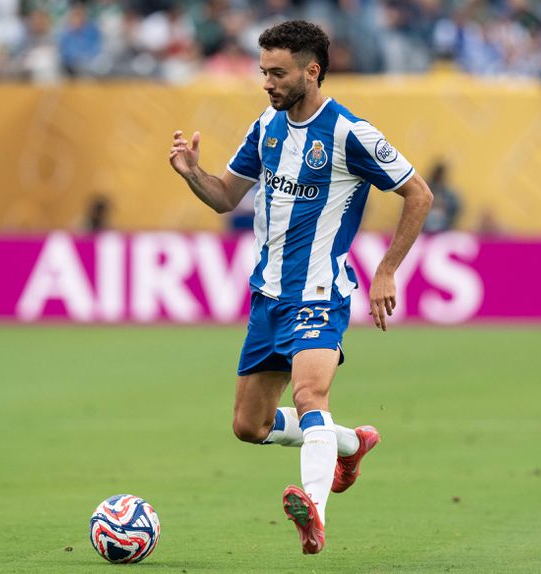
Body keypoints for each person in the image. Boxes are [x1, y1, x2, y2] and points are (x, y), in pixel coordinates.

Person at [168, 20, 432, 555]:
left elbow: (418, 194)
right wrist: (192, 174)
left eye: (277, 73)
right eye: (263, 71)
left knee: (311, 394)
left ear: (312, 72)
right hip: (267, 296)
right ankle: (351, 444)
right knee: (249, 425)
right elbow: (225, 197)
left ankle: (314, 509)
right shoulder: (265, 126)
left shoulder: (350, 133)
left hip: (320, 291)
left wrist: (386, 270)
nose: (266, 82)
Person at [422, 160, 462, 233]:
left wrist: (444, 206)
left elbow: (456, 208)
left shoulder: (448, 193)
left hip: (444, 229)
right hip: (424, 229)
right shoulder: (424, 190)